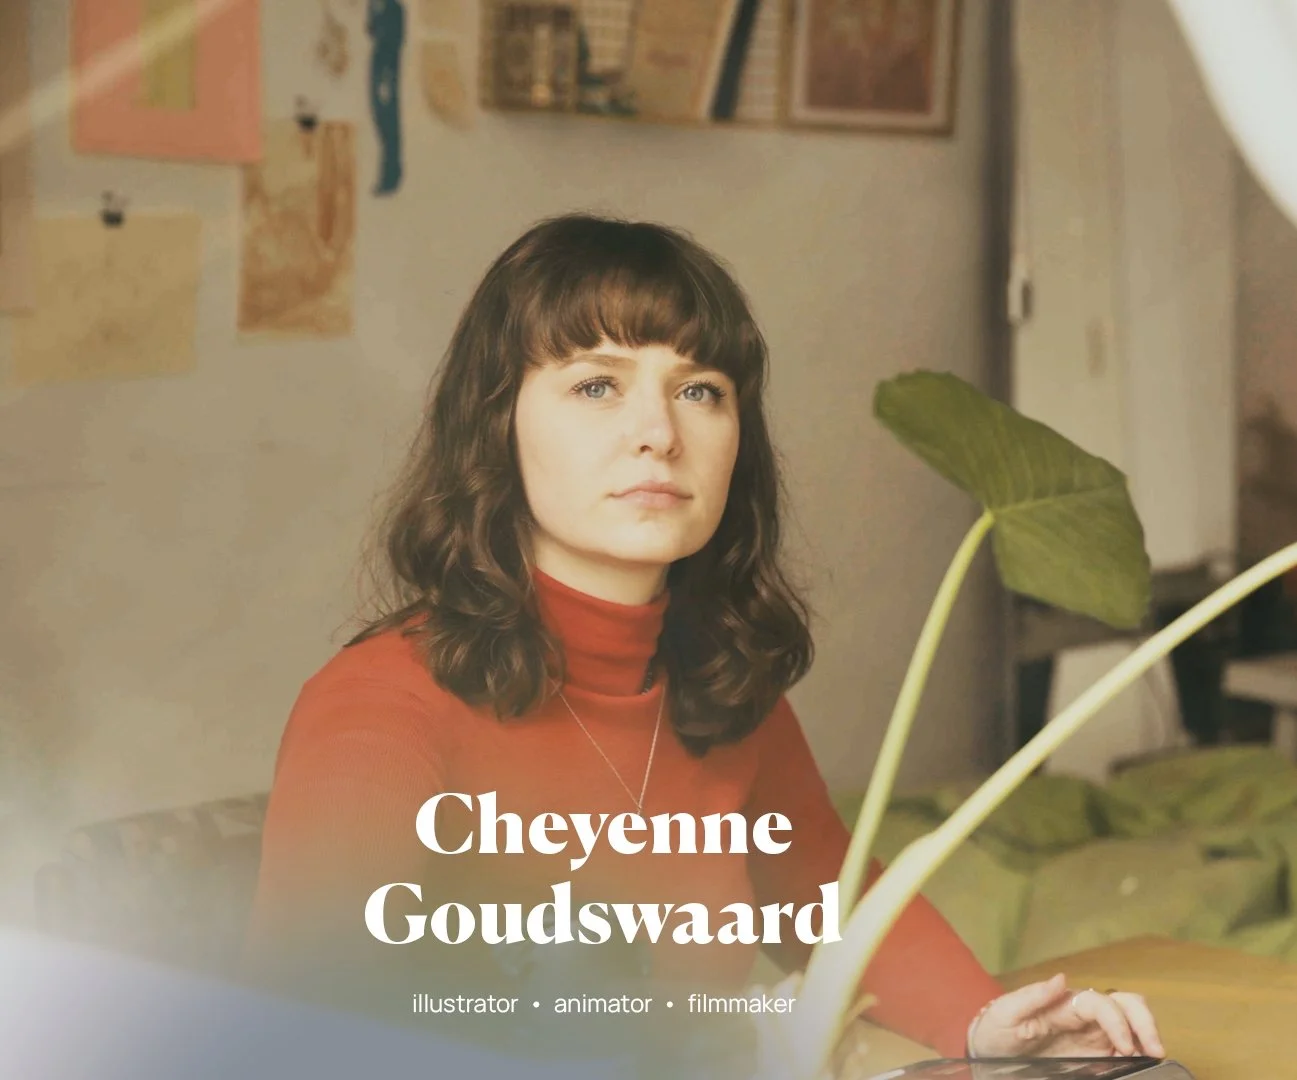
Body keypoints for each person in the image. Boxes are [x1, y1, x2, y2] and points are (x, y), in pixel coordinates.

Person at [241, 213, 1164, 1068]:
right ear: (495, 424)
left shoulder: (719, 685)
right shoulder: (381, 704)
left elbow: (831, 900)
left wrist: (990, 1025)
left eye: (699, 390)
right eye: (596, 385)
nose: (658, 433)